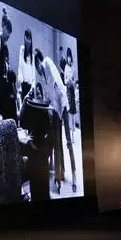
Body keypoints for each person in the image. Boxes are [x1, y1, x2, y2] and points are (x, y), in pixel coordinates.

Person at [33, 49, 76, 193]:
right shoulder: (42, 77)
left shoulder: (47, 62)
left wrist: (63, 106)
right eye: (36, 67)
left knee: (68, 143)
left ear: (39, 61)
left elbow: (58, 83)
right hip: (56, 109)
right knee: (57, 143)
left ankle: (74, 175)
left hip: (63, 106)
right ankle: (59, 175)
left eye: (37, 65)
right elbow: (47, 95)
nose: (37, 68)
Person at [0, 8, 17, 122]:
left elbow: (6, 65)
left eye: (9, 33)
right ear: (3, 26)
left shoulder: (5, 46)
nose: (8, 35)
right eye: (7, 31)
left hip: (5, 84)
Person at [17, 28, 35, 103]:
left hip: (30, 87)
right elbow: (20, 67)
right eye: (26, 38)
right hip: (23, 85)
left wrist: (33, 86)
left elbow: (33, 72)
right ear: (24, 38)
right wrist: (20, 85)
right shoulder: (22, 49)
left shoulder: (32, 55)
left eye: (29, 38)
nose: (28, 41)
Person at [64, 47, 77, 143]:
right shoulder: (66, 67)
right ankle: (69, 136)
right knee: (69, 111)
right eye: (68, 57)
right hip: (68, 90)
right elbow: (65, 81)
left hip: (72, 90)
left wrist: (73, 82)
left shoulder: (73, 67)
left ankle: (73, 136)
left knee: (73, 112)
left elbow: (75, 80)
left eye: (70, 57)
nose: (69, 59)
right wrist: (69, 81)